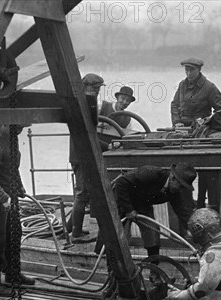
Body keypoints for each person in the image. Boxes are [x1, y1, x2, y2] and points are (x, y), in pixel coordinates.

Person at [0, 123, 35, 296]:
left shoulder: (13, 139)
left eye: (21, 128)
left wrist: (20, 188)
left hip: (9, 197)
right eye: (17, 128)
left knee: (14, 233)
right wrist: (3, 198)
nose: (20, 131)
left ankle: (12, 273)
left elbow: (13, 169)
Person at [112, 163, 197, 260]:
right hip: (121, 199)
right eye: (181, 186)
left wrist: (193, 231)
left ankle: (154, 269)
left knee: (152, 234)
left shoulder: (174, 192)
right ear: (173, 178)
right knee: (115, 235)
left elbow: (182, 212)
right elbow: (121, 183)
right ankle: (109, 264)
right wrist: (129, 209)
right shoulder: (151, 173)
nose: (180, 190)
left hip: (141, 204)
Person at [66, 73, 109, 243]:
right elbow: (88, 135)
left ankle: (72, 228)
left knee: (84, 193)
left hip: (81, 155)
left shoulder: (81, 103)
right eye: (96, 89)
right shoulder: (82, 105)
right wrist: (108, 146)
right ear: (88, 88)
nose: (98, 92)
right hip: (81, 156)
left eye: (99, 89)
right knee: (82, 194)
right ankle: (75, 235)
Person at [171, 58, 221, 128]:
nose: (189, 73)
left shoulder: (209, 87)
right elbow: (175, 105)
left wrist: (208, 121)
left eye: (192, 70)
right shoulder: (182, 85)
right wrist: (177, 121)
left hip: (201, 127)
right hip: (182, 126)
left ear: (199, 69)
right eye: (186, 70)